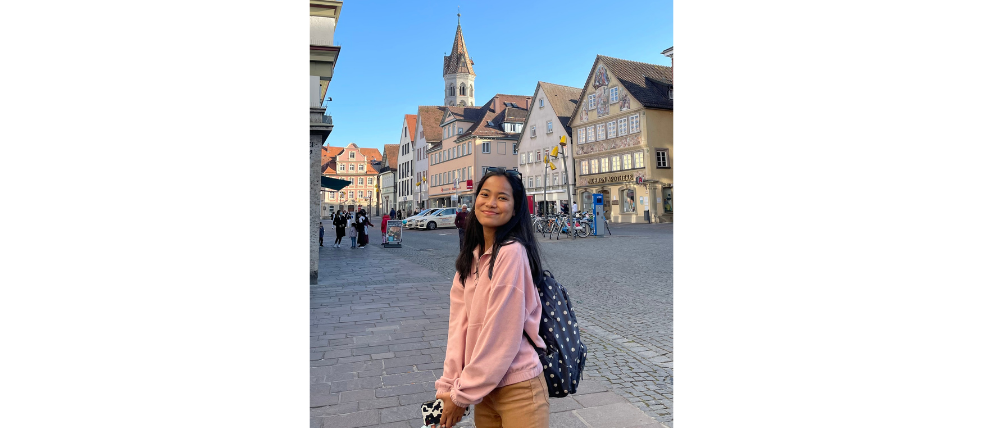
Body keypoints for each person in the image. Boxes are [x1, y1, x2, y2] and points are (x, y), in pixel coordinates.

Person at [434, 169, 549, 428]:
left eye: (502, 197)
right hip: (483, 392)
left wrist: (461, 395)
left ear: (516, 207)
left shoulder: (512, 252)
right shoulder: (471, 257)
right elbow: (458, 328)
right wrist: (449, 384)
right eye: (485, 194)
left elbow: (501, 333)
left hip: (518, 387)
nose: (491, 203)